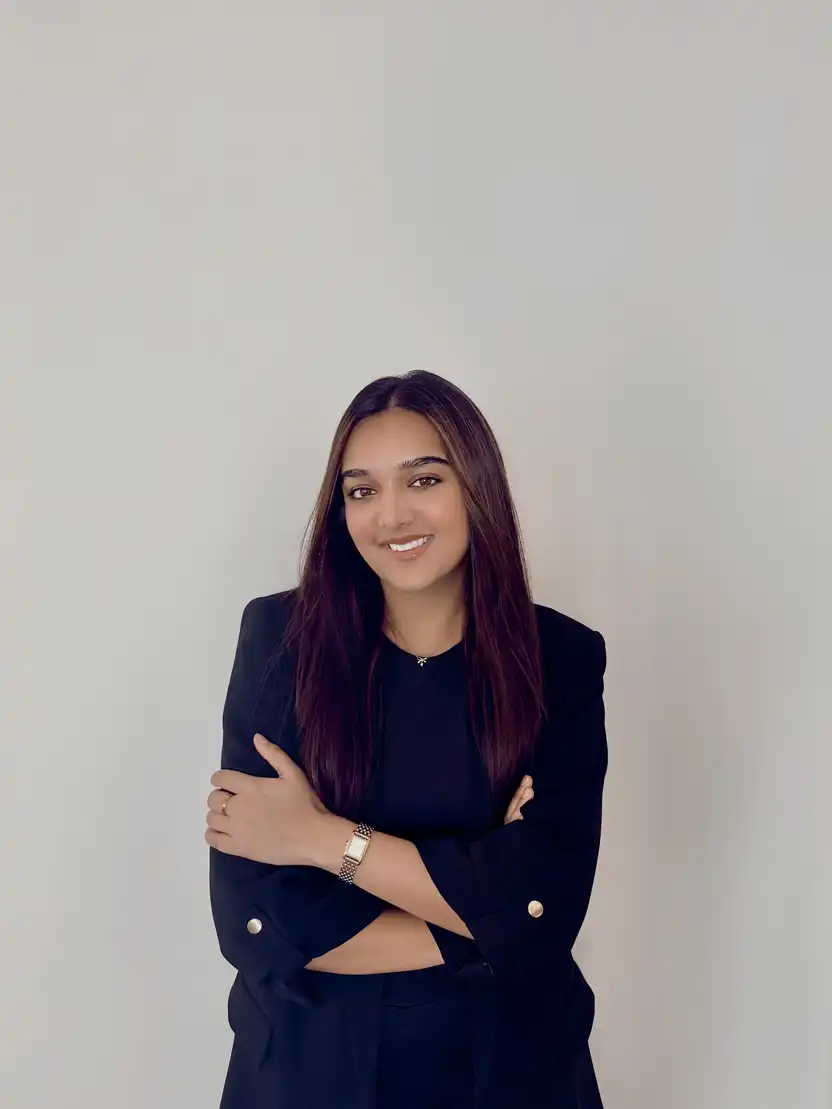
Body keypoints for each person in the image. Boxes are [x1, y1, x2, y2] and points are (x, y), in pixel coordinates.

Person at [205, 370, 608, 1108]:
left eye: (424, 479)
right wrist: (482, 917)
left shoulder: (559, 658)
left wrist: (319, 838)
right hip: (308, 1072)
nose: (390, 515)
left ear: (476, 486)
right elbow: (258, 923)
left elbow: (546, 907)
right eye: (361, 490)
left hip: (508, 1072)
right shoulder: (279, 642)